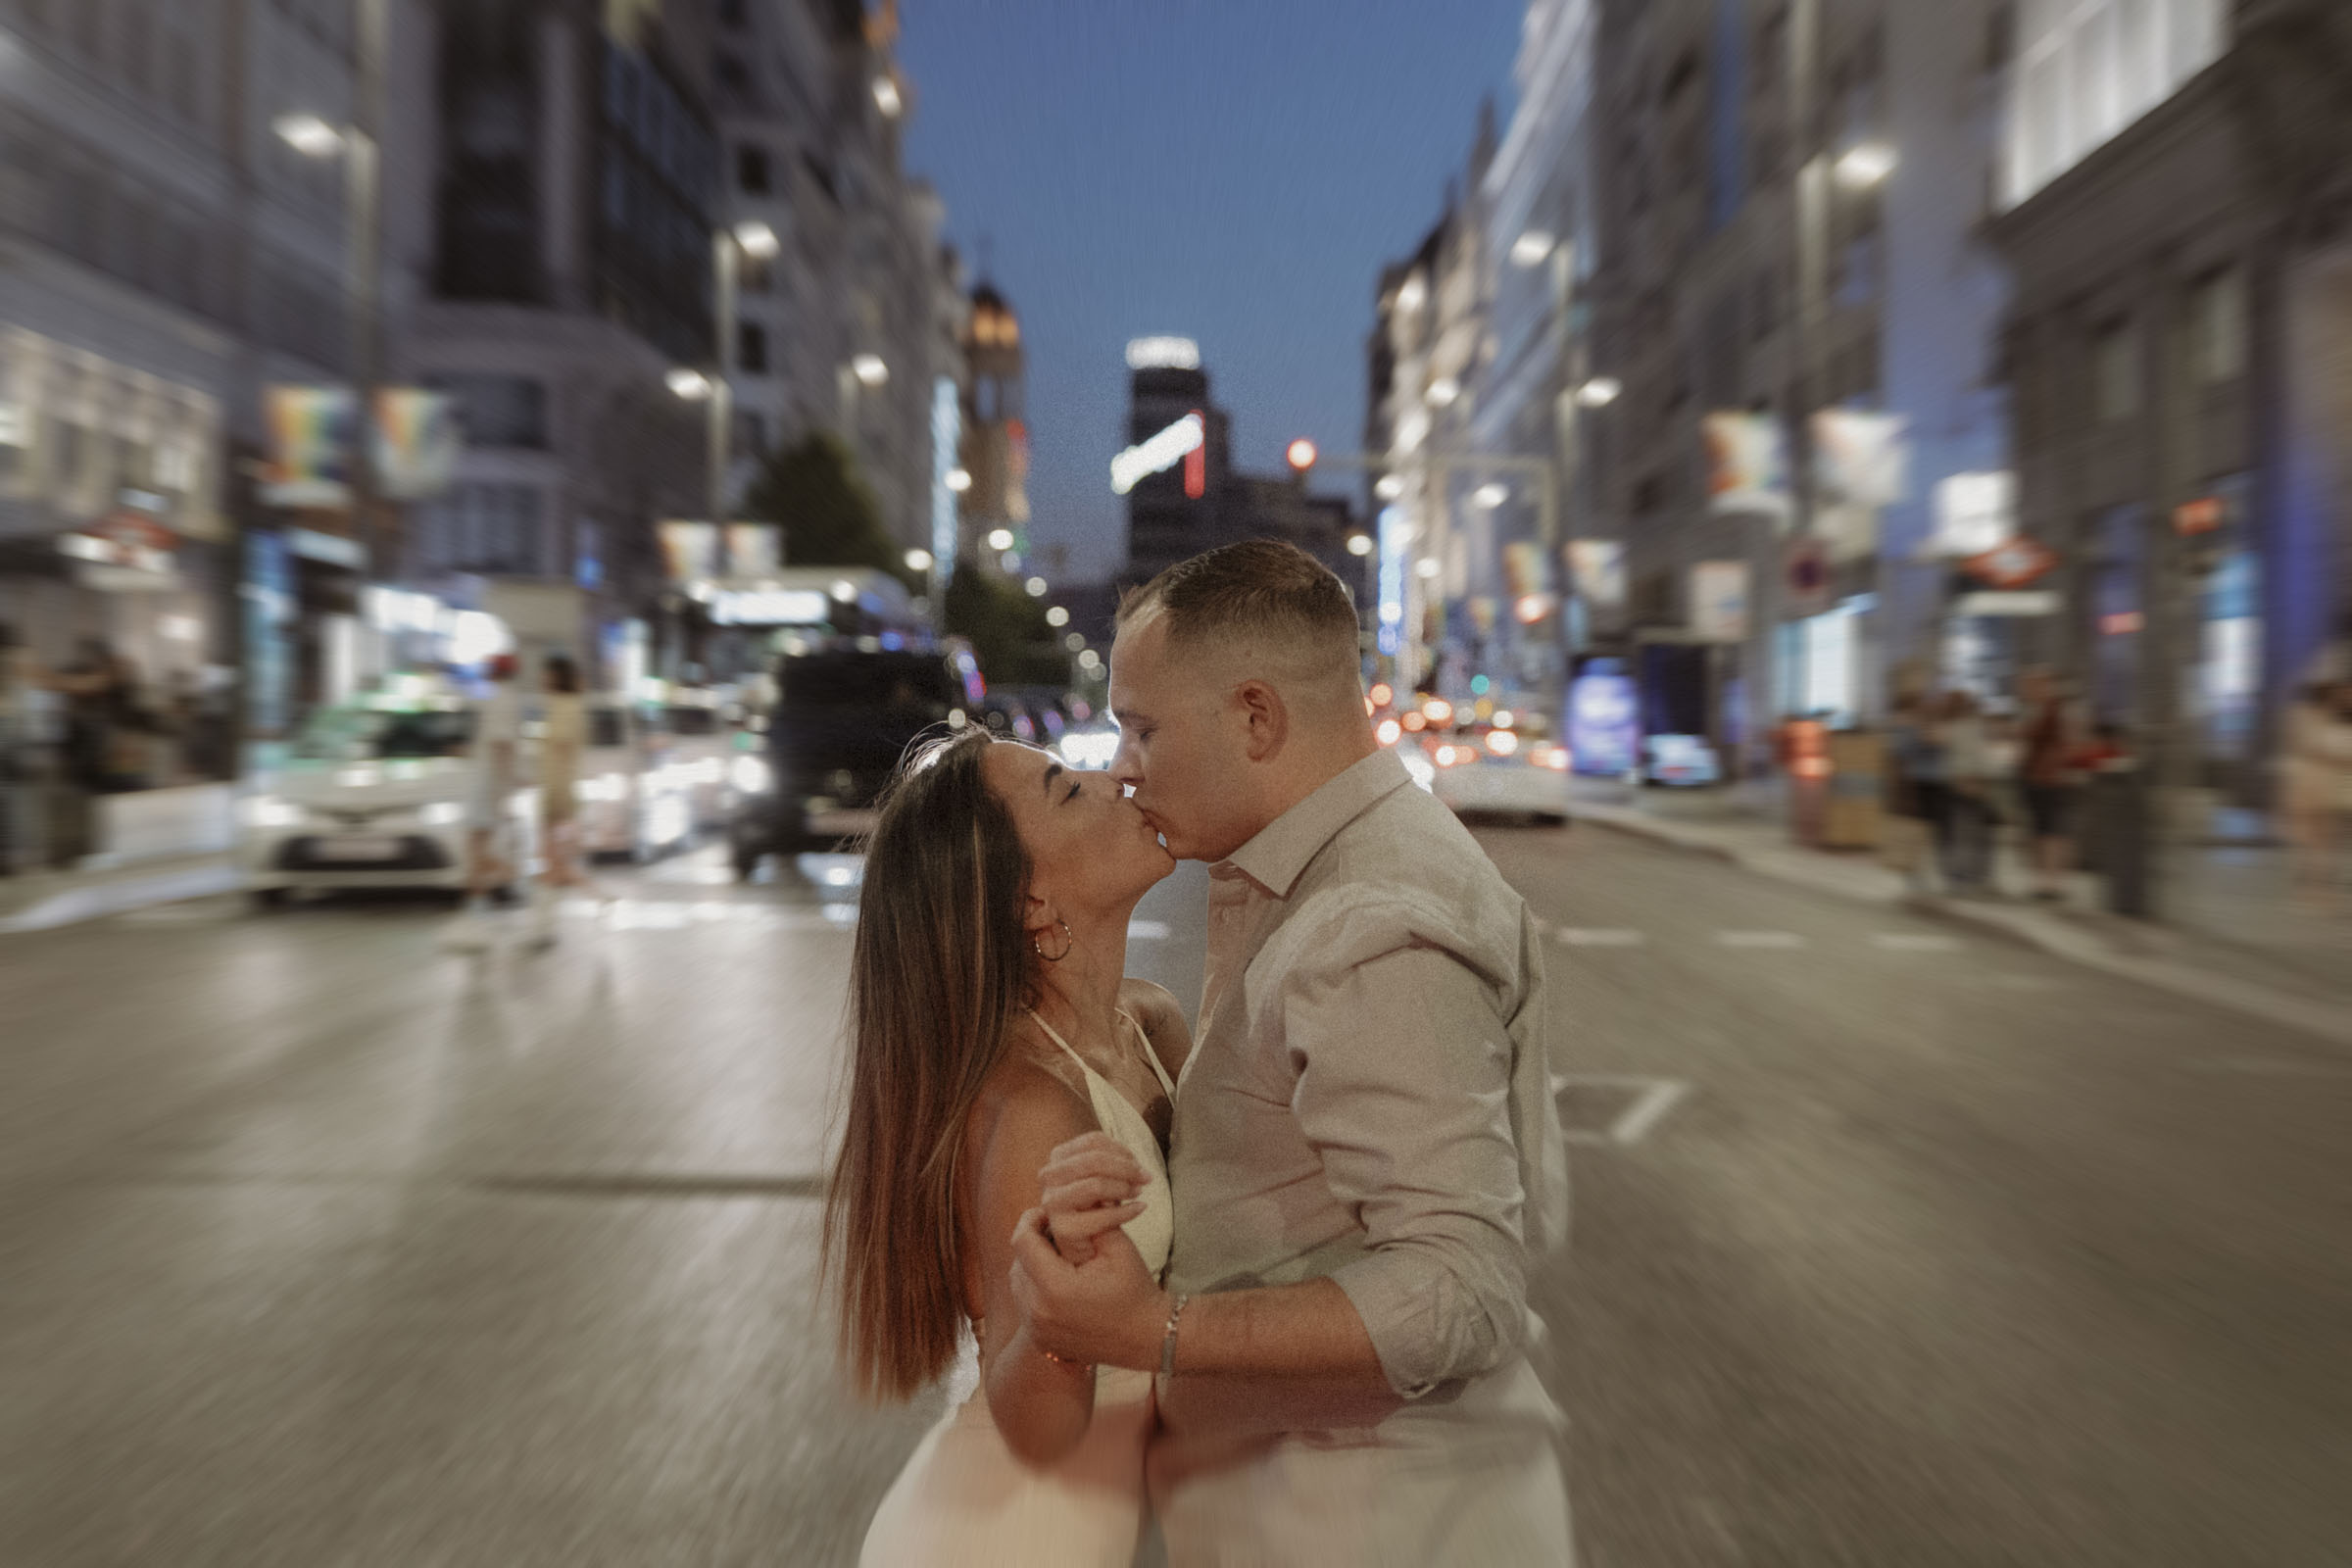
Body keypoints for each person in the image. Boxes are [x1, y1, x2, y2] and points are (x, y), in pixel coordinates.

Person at [1010, 540, 1573, 1565]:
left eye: (1142, 727)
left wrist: (1155, 1332)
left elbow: (1463, 1288)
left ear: (1256, 717)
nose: (1122, 763)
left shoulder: (1367, 921)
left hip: (1375, 1516)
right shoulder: (1309, 867)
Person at [839, 729, 1189, 1565]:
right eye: (1069, 789)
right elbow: (1038, 1431)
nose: (1114, 782)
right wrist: (1057, 1298)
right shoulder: (1033, 1104)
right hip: (1007, 1537)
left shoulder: (1147, 1023)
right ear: (1031, 901)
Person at [441, 654, 525, 953]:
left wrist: (503, 792)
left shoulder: (499, 699)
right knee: (478, 846)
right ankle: (482, 904)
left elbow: (501, 745)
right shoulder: (506, 699)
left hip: (487, 783)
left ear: (493, 672)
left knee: (474, 846)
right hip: (491, 781)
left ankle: (505, 889)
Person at [528, 654, 589, 945]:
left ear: (557, 676)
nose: (543, 679)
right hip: (557, 794)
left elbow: (562, 755)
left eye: (547, 673)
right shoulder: (564, 706)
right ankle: (543, 925)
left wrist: (557, 801)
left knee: (552, 862)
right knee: (554, 862)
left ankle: (543, 927)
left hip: (557, 796)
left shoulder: (564, 707)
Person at [2280, 679, 2352, 912]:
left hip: (2332, 785)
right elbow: (2310, 745)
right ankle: (2311, 888)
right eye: (2344, 692)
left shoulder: (2335, 717)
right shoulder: (2304, 714)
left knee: (2328, 839)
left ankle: (2319, 887)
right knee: (2314, 839)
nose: (2347, 697)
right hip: (2310, 783)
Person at [2017, 667, 2081, 902]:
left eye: (2032, 686)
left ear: (2046, 686)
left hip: (2052, 779)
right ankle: (2040, 880)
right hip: (2033, 776)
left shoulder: (2057, 711)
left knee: (2054, 832)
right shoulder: (2033, 710)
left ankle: (2055, 882)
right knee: (2038, 831)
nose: (2027, 691)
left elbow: (2066, 742)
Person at [1939, 690, 1998, 895]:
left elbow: (1976, 755)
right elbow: (1969, 756)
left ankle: (1970, 876)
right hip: (1963, 783)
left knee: (1969, 832)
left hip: (1968, 782)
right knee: (1965, 832)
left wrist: (1978, 780)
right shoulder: (1962, 726)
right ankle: (1965, 876)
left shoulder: (1966, 725)